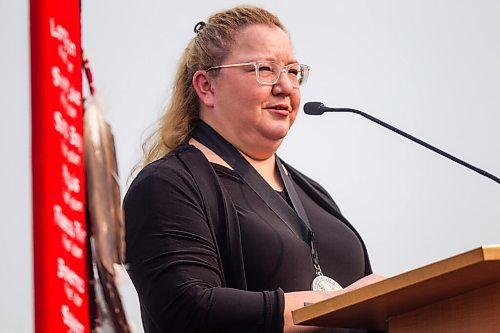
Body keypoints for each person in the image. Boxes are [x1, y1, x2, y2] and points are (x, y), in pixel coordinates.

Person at [124, 6, 383, 333]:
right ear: (206, 86)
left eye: (292, 71)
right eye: (264, 69)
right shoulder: (166, 185)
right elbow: (190, 310)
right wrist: (340, 306)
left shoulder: (315, 194)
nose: (286, 86)